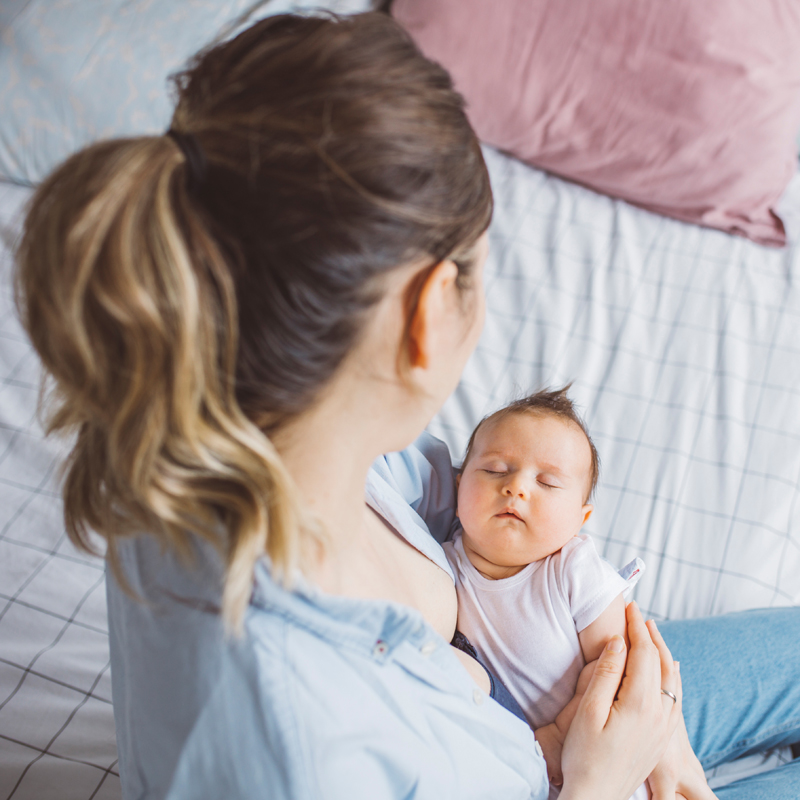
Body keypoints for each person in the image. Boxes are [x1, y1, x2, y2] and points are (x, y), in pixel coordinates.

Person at [13, 10, 800, 800]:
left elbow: (460, 498)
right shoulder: (295, 752)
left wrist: (647, 714)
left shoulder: (242, 415)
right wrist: (601, 780)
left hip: (569, 732)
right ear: (426, 315)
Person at [444, 387, 648, 799]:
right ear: (458, 485)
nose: (517, 487)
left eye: (548, 482)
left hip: (616, 767)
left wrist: (560, 732)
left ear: (581, 518)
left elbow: (616, 663)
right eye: (496, 470)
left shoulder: (572, 568)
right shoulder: (441, 567)